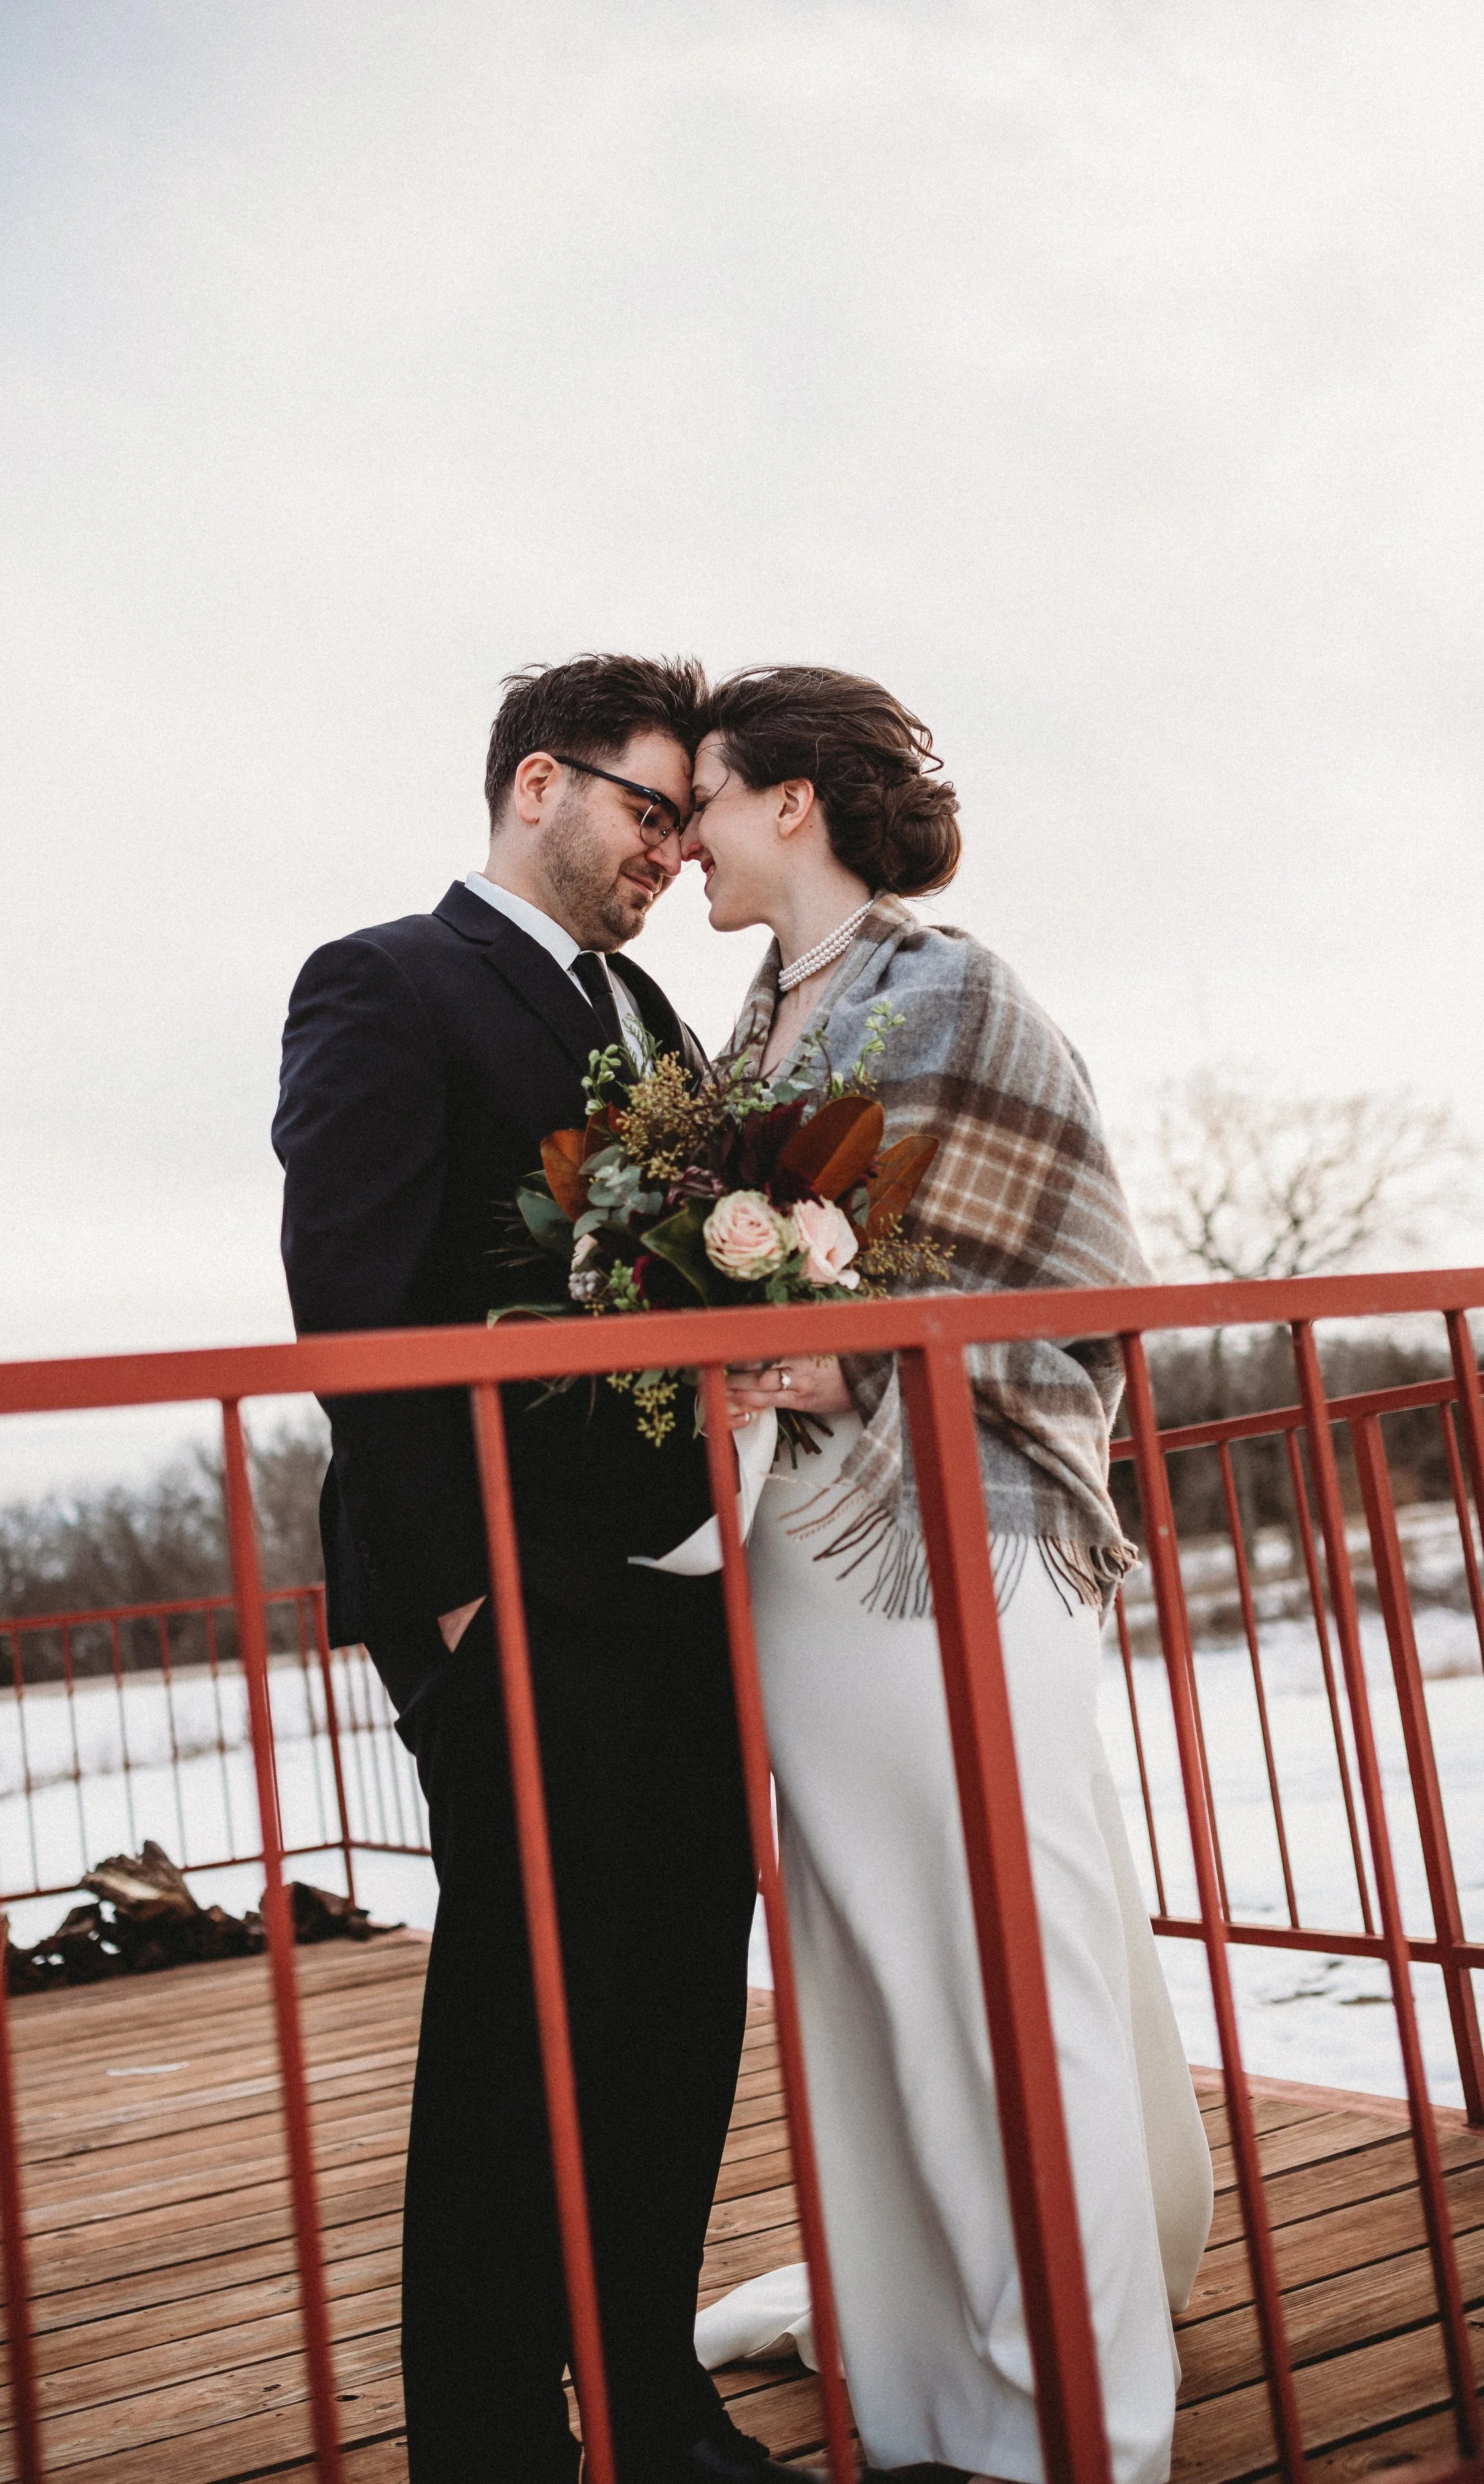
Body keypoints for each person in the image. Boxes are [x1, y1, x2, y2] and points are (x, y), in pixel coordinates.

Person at [272, 656, 805, 2484]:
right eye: (647, 807)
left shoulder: (652, 1009)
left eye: (684, 819)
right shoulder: (384, 980)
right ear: (531, 786)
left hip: (670, 1583)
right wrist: (451, 1600)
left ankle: (644, 2394)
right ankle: (487, 2438)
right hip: (500, 1591)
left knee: (670, 1992)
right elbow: (347, 1294)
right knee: (518, 2013)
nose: (671, 847)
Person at [681, 668, 1214, 2484]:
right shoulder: (750, 1027)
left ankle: (1083, 2411)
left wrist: (878, 1346)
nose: (680, 840)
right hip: (803, 1555)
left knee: (1010, 1955)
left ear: (791, 805)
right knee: (881, 1963)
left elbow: (1070, 1278)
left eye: (706, 799)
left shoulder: (950, 987)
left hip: (959, 1532)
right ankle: (928, 2373)